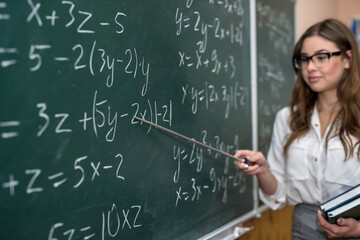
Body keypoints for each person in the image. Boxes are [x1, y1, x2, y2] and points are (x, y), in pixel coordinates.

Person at [234, 18, 360, 239]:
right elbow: (278, 194)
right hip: (303, 229)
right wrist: (263, 171)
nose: (310, 67)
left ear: (347, 59)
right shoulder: (287, 118)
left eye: (322, 57)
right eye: (304, 59)